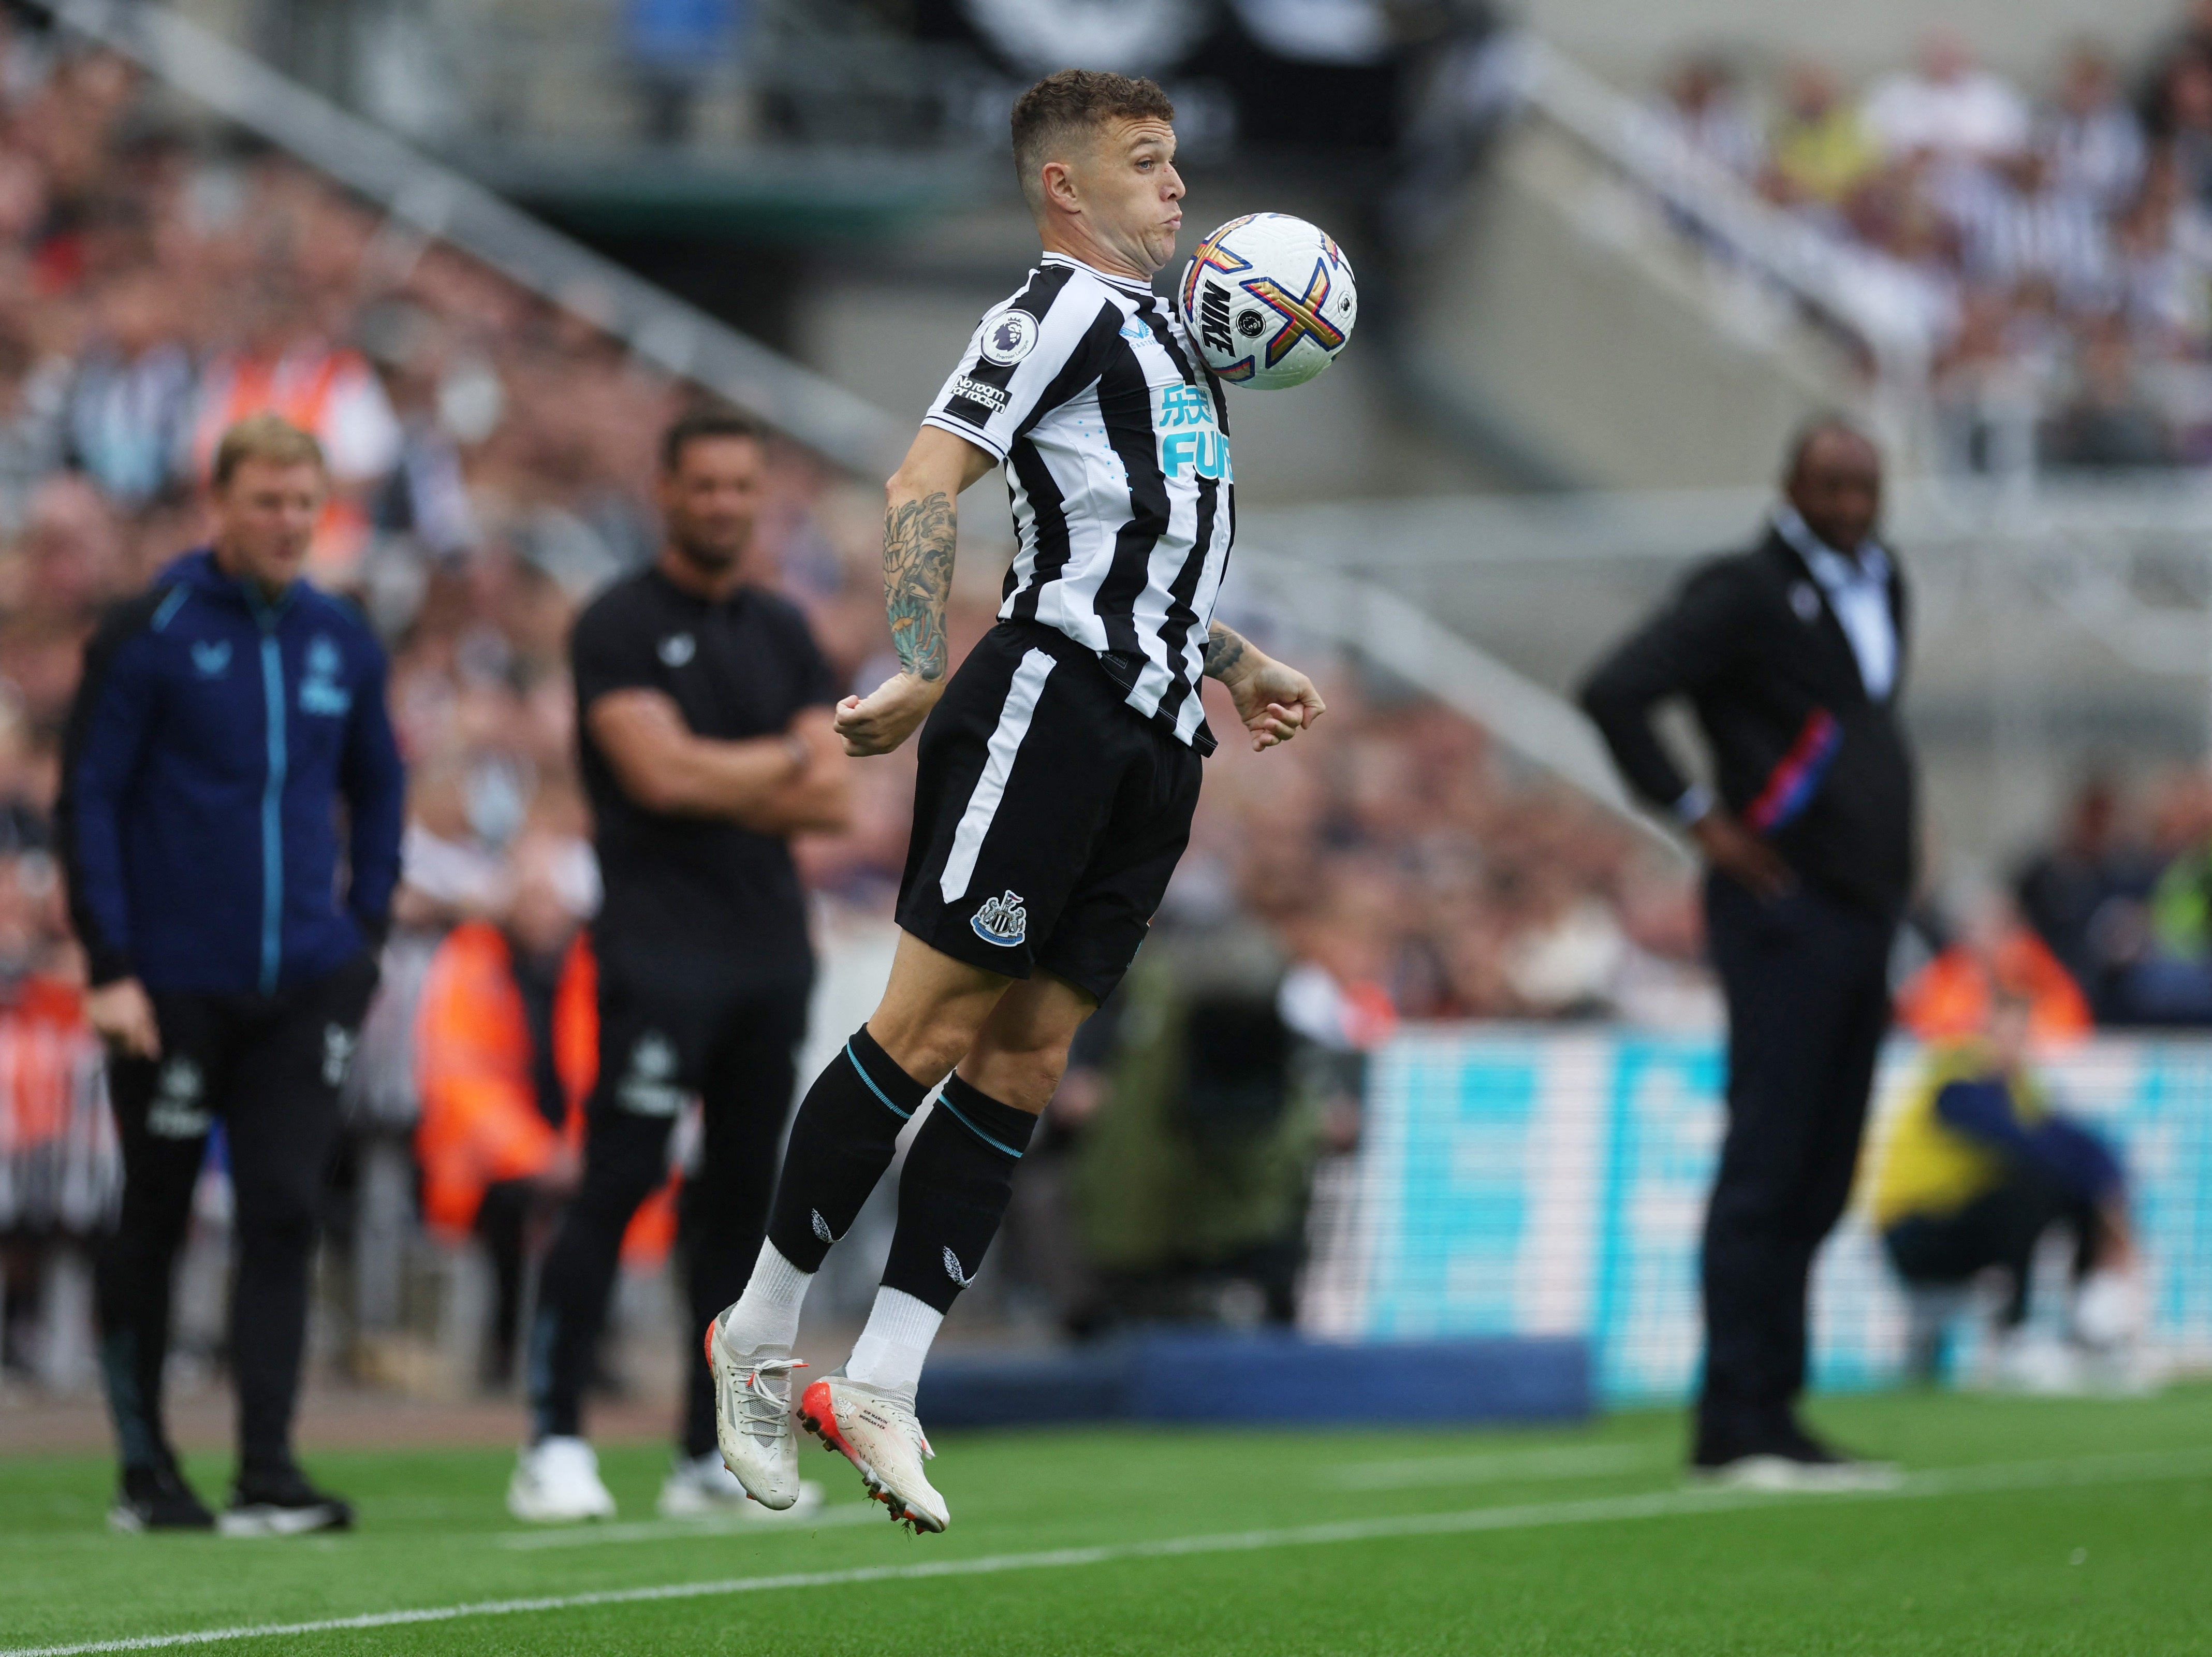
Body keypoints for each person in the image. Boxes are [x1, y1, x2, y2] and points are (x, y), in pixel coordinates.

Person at [705, 67, 1327, 1535]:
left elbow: (1130, 546)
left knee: (1031, 1058)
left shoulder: (1173, 340)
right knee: (923, 1028)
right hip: (1046, 707)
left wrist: (1235, 664)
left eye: (1177, 161)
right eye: (1148, 162)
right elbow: (926, 485)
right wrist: (922, 664)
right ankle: (760, 1330)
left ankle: (886, 1380)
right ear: (1067, 186)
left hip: (1158, 733)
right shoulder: (1045, 312)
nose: (1178, 187)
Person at [505, 407, 853, 1523]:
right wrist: (780, 762)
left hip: (766, 952)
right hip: (657, 952)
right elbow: (659, 779)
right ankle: (552, 1439)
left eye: (741, 488)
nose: (723, 505)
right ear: (664, 490)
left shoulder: (786, 631)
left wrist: (730, 769)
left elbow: (835, 794)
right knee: (618, 1182)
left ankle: (708, 1455)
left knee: (743, 1209)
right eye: (704, 485)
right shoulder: (614, 621)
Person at [58, 413, 404, 1532]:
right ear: (219, 503)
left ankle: (267, 1468)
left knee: (286, 1212)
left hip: (305, 983)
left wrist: (363, 941)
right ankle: (144, 1467)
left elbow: (382, 790)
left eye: (305, 502)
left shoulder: (340, 638)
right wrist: (111, 965)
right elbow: (88, 801)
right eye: (268, 501)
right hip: (170, 988)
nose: (290, 522)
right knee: (154, 1213)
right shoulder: (148, 629)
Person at [1579, 418, 1913, 1489]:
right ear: (1791, 485)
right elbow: (1616, 689)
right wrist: (1699, 817)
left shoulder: (1885, 580)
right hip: (1782, 909)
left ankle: (1780, 1406)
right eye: (1831, 485)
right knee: (1768, 1161)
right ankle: (1733, 1419)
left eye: (1865, 486)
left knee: (1821, 1167)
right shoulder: (1743, 588)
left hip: (1864, 912)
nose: (1851, 505)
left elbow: (1857, 723)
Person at [1872, 982, 2140, 1383]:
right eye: (2004, 1031)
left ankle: (2089, 1326)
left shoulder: (2021, 1088)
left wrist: (2108, 1191)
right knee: (2031, 1187)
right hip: (1914, 1226)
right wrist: (2084, 1173)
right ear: (1985, 1028)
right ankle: (2015, 1335)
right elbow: (2006, 1135)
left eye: (2021, 1033)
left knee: (2069, 1192)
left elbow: (2075, 1143)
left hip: (1967, 1225)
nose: (2012, 1043)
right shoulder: (1954, 1071)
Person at [413, 830, 597, 1390]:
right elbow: (462, 1077)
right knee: (510, 1208)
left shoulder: (586, 963)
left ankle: (587, 1348)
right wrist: (538, 1153)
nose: (543, 910)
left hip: (569, 1146)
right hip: (487, 1156)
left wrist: (580, 1149)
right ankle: (502, 1348)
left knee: (610, 1195)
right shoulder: (473, 958)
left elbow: (596, 1068)